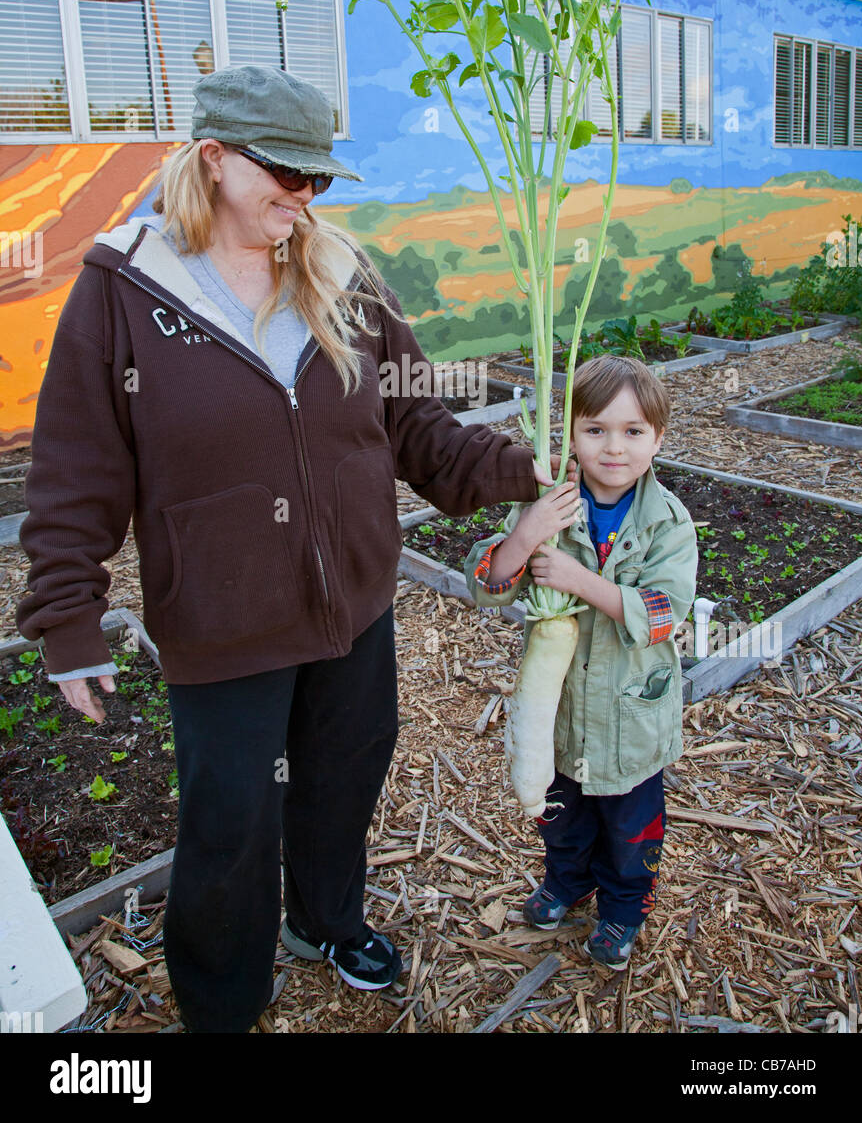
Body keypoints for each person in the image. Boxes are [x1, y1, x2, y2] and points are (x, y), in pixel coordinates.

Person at [15, 64, 558, 1033]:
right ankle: (222, 997)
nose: (304, 197)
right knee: (228, 821)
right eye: (287, 174)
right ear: (214, 158)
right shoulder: (125, 285)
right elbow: (77, 466)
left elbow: (418, 431)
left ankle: (326, 921)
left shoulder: (343, 277)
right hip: (222, 619)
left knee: (342, 778)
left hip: (352, 604)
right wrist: (66, 617)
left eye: (320, 180)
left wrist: (531, 466)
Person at [464, 354, 698, 970]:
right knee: (560, 816)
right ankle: (567, 883)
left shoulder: (668, 524)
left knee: (631, 831)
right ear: (570, 436)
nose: (612, 448)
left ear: (658, 440)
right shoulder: (550, 507)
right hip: (561, 714)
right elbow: (489, 585)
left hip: (631, 722)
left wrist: (575, 578)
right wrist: (523, 535)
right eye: (594, 430)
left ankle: (623, 909)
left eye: (632, 432)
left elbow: (667, 614)